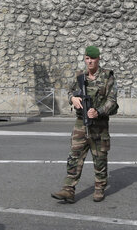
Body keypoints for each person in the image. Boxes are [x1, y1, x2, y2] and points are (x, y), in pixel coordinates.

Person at [51, 46, 118, 203]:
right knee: (74, 156)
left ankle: (100, 187)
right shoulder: (79, 76)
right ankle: (68, 189)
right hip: (81, 124)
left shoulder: (107, 77)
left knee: (99, 158)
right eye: (87, 58)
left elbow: (112, 102)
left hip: (99, 126)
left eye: (93, 59)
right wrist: (72, 99)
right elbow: (70, 92)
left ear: (98, 59)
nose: (90, 62)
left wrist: (99, 111)